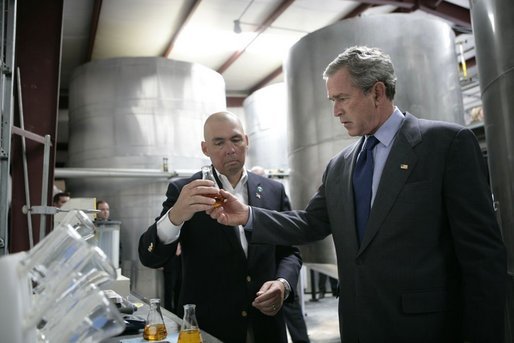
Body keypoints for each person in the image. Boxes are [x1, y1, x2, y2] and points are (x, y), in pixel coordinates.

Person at [207, 46, 507, 342]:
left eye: (342, 99)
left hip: (426, 329)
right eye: (332, 100)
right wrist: (247, 215)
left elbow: (482, 256)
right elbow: (311, 223)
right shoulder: (340, 165)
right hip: (358, 326)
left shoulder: (446, 144)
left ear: (377, 93)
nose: (335, 111)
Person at [138, 111, 303, 343]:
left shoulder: (273, 191)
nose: (230, 149)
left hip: (266, 325)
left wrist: (283, 284)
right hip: (209, 329)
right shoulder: (187, 192)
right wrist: (175, 216)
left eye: (236, 140)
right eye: (219, 142)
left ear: (246, 140)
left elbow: (289, 252)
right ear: (205, 149)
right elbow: (150, 257)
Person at [250, 166, 310, 343]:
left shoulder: (274, 191)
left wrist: (284, 281)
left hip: (279, 275)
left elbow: (290, 245)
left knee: (292, 311)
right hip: (258, 290)